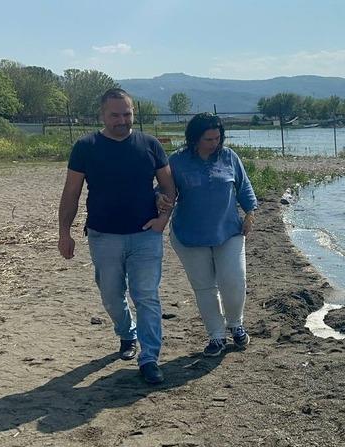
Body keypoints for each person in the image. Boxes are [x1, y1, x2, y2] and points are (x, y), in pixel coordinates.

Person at [58, 88, 176, 385]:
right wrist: (64, 232)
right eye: (115, 115)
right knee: (111, 295)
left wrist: (163, 218)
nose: (122, 120)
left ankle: (149, 357)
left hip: (146, 235)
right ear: (102, 115)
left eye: (127, 114)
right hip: (103, 235)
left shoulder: (149, 145)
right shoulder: (86, 146)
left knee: (146, 296)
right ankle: (127, 333)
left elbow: (168, 186)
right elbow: (71, 193)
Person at [166, 113, 257, 357]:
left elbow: (243, 186)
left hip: (229, 231)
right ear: (194, 138)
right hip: (189, 235)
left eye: (218, 138)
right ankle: (216, 336)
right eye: (208, 139)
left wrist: (249, 213)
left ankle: (236, 325)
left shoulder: (229, 157)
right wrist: (158, 200)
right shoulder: (177, 161)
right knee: (204, 287)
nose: (214, 143)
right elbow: (164, 192)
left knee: (234, 281)